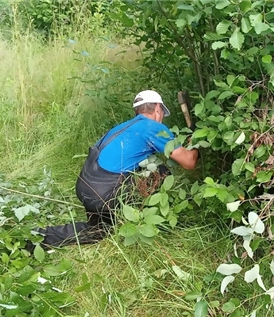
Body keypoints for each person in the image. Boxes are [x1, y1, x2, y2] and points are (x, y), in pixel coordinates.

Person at [32, 90, 199, 248]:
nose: (162, 118)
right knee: (161, 172)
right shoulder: (153, 127)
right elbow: (189, 162)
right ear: (157, 108)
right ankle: (155, 224)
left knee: (98, 231)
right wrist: (196, 141)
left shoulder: (122, 127)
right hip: (104, 194)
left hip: (87, 189)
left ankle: (36, 237)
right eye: (162, 113)